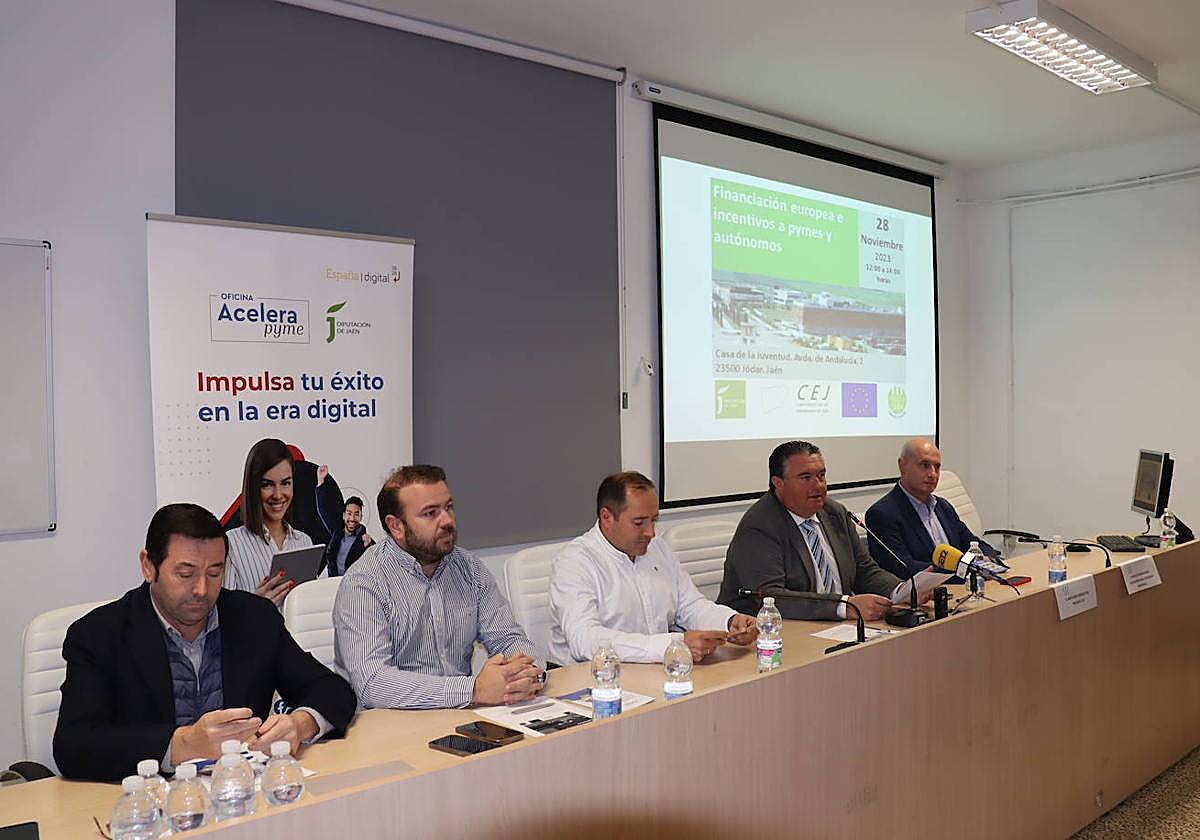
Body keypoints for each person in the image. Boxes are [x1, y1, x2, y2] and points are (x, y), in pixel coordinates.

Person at [53, 503, 357, 782]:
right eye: (185, 573)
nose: (202, 589)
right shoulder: (99, 634)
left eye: (215, 572)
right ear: (148, 566)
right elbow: (74, 744)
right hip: (151, 803)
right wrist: (181, 744)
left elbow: (332, 689)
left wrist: (299, 724)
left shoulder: (253, 618)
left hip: (242, 795)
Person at [333, 465, 544, 710]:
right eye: (431, 513)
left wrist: (526, 673)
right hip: (390, 731)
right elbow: (373, 684)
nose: (447, 521)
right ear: (396, 526)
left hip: (463, 720)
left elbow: (508, 639)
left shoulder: (469, 568)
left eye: (449, 507)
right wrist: (473, 690)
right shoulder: (364, 583)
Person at [548, 471, 758, 665]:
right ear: (607, 518)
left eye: (654, 520)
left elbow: (690, 606)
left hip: (654, 670)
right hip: (592, 678)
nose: (651, 532)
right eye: (639, 523)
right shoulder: (575, 562)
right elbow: (584, 640)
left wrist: (729, 621)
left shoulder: (657, 549)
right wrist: (672, 644)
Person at [718, 441, 902, 621]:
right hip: (766, 632)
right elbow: (770, 597)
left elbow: (864, 570)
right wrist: (844, 606)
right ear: (778, 483)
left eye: (821, 476)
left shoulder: (834, 513)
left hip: (834, 625)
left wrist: (901, 590)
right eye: (806, 478)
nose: (819, 486)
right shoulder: (759, 525)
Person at [864, 438, 999, 577]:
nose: (933, 474)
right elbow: (902, 567)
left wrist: (989, 559)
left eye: (937, 467)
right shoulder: (882, 514)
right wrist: (965, 570)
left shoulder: (943, 506)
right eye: (925, 465)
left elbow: (972, 543)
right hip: (924, 595)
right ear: (902, 465)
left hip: (962, 588)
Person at [226, 438, 320, 606]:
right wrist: (255, 607)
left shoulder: (304, 541)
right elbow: (223, 619)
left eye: (286, 483)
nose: (278, 495)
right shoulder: (231, 543)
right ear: (252, 487)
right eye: (267, 485)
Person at [322, 495, 374, 577]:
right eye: (349, 514)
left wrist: (368, 546)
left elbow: (375, 565)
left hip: (353, 585)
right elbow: (323, 509)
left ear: (361, 517)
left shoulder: (366, 540)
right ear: (344, 515)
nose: (352, 518)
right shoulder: (336, 533)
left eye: (356, 514)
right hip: (333, 582)